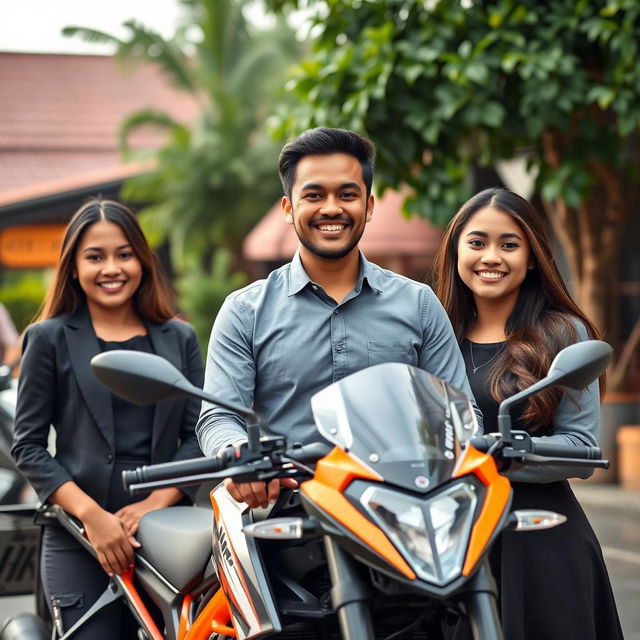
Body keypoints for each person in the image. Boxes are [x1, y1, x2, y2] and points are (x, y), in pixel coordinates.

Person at [197, 126, 481, 509]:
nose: (331, 208)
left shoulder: (418, 304)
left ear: (369, 206)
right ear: (288, 208)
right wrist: (240, 456)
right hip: (287, 512)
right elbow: (219, 416)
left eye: (347, 194)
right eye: (313, 195)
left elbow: (459, 412)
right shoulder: (245, 311)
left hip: (405, 512)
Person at [432, 187, 623, 639]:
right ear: (456, 249)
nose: (491, 256)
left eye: (509, 244)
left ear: (533, 256)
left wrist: (501, 451)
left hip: (541, 541)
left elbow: (582, 447)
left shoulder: (562, 332)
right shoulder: (435, 333)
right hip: (450, 543)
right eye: (477, 242)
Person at [11, 198, 204, 640]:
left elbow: (198, 435)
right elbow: (29, 446)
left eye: (123, 254)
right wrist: (93, 517)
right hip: (77, 536)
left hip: (170, 535)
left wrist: (153, 505)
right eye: (95, 257)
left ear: (142, 260)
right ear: (73, 268)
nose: (111, 268)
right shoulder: (48, 338)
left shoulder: (179, 337)